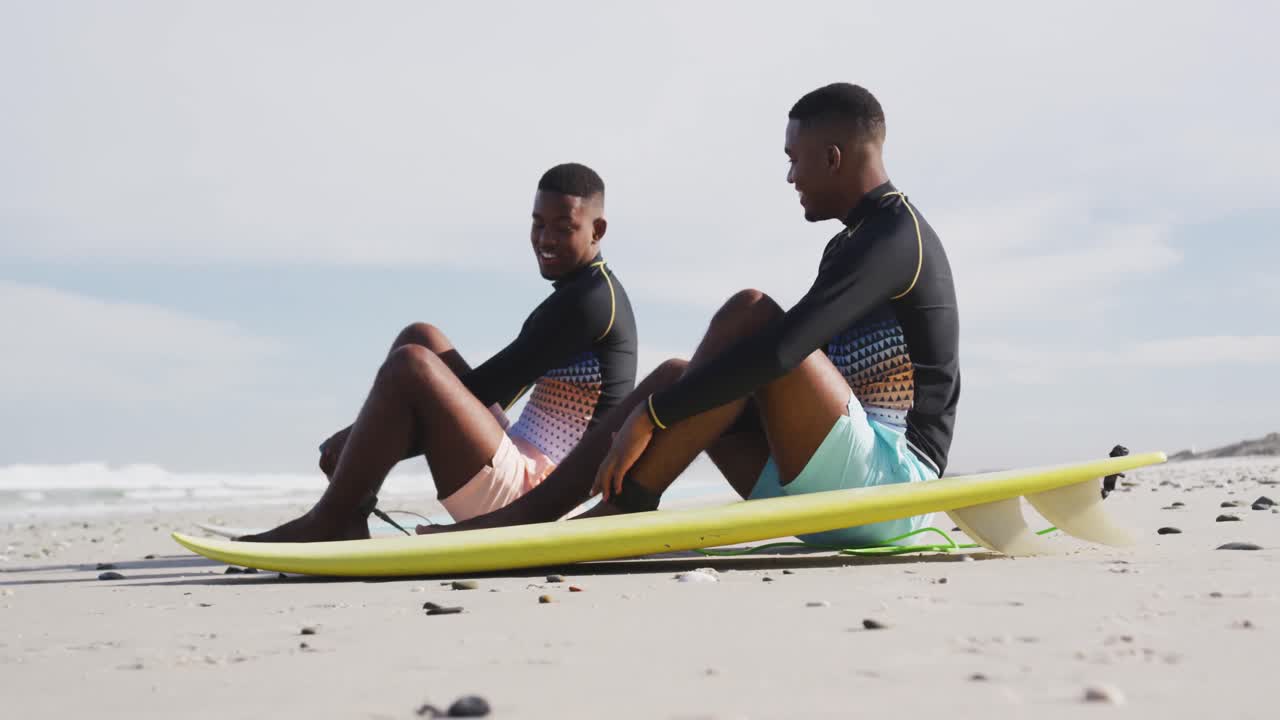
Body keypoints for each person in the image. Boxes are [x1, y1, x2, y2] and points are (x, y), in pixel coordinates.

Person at [423, 83, 959, 548]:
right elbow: (772, 368)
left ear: (834, 158)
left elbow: (781, 350)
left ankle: (619, 510)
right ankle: (524, 520)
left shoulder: (896, 236)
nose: (790, 175)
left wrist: (652, 415)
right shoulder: (853, 243)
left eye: (794, 157)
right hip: (841, 484)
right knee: (685, 377)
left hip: (895, 486)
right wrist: (666, 401)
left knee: (747, 315)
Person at [243, 163, 638, 542]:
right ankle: (348, 511)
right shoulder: (581, 293)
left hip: (537, 499)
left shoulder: (589, 303)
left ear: (597, 230)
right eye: (538, 224)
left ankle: (331, 518)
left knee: (411, 365)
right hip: (523, 463)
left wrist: (354, 443)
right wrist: (364, 444)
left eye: (564, 227)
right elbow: (496, 393)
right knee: (422, 337)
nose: (546, 239)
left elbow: (490, 388)